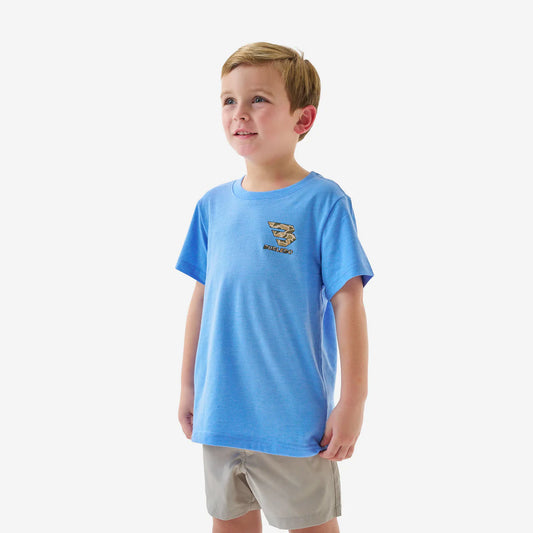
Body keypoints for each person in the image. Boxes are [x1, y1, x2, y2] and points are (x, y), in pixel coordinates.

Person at [175, 41, 374, 533]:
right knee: (229, 524)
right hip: (221, 414)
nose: (239, 113)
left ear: (303, 119)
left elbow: (348, 302)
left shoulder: (323, 202)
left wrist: (352, 401)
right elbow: (202, 299)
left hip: (292, 420)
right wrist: (188, 386)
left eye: (258, 99)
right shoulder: (212, 206)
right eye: (229, 100)